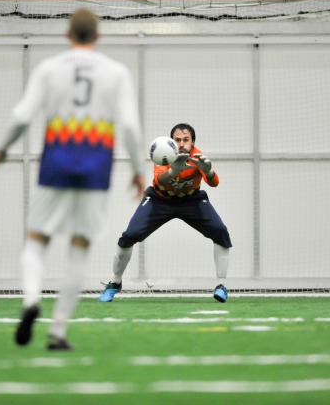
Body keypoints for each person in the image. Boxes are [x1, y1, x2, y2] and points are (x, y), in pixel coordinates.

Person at [0, 9, 144, 351]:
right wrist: (137, 169)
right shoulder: (116, 73)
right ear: (98, 36)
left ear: (67, 34)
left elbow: (21, 116)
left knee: (37, 239)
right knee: (79, 247)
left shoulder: (50, 68)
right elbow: (131, 127)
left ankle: (31, 300)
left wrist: (1, 149)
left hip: (56, 160)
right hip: (95, 165)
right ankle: (57, 332)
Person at [99, 123, 232, 303]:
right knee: (129, 236)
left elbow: (214, 183)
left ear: (193, 142)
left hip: (191, 200)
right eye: (178, 140)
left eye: (186, 139)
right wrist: (173, 170)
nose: (182, 143)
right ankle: (115, 283)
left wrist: (208, 171)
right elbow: (159, 180)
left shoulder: (197, 157)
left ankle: (221, 285)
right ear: (172, 142)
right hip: (159, 200)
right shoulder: (165, 153)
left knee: (220, 232)